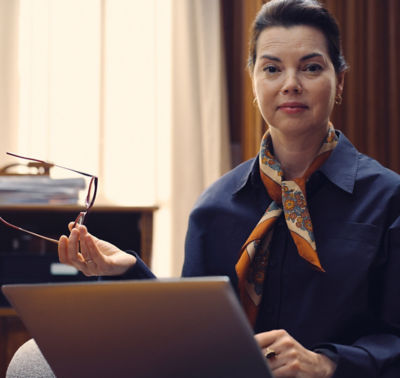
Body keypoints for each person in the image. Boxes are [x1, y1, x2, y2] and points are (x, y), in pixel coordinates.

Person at [6, 0, 400, 377]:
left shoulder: (387, 199)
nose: (291, 84)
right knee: (34, 360)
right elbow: (193, 333)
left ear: (340, 81)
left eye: (311, 68)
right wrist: (126, 270)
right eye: (272, 69)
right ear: (253, 81)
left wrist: (328, 365)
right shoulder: (215, 207)